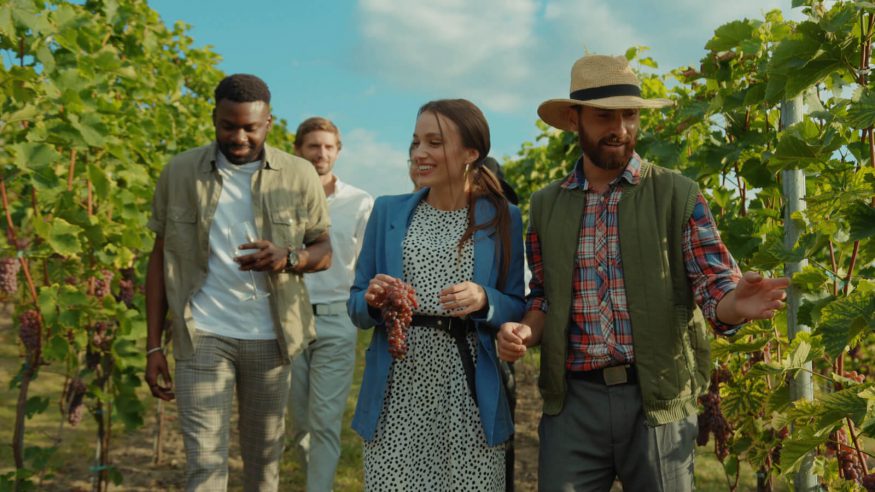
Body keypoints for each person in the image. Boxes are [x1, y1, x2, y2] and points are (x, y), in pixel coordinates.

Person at [496, 55, 790, 492]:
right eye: (604, 116)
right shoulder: (545, 206)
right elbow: (544, 296)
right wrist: (523, 330)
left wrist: (735, 306)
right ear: (575, 120)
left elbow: (715, 288)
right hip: (573, 405)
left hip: (657, 401)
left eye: (630, 115)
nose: (620, 128)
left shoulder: (678, 194)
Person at [144, 73, 332, 491]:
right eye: (229, 126)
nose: (240, 136)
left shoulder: (299, 174)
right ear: (214, 118)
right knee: (204, 465)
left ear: (269, 122)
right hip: (202, 334)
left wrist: (289, 257)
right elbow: (159, 260)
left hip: (270, 337)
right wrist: (154, 343)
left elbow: (323, 250)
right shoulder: (179, 173)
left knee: (263, 462)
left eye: (250, 127)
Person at [348, 99, 526, 490]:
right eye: (415, 142)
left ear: (471, 153)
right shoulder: (387, 211)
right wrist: (372, 300)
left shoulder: (503, 217)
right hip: (398, 391)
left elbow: (517, 303)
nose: (419, 153)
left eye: (434, 142)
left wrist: (485, 298)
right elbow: (356, 305)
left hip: (469, 392)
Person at [287, 117, 373, 492]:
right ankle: (306, 465)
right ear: (298, 150)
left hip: (337, 319)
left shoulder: (359, 202)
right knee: (298, 418)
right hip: (288, 317)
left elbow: (365, 263)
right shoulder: (281, 196)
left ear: (338, 151)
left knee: (324, 419)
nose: (321, 153)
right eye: (313, 146)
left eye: (328, 147)